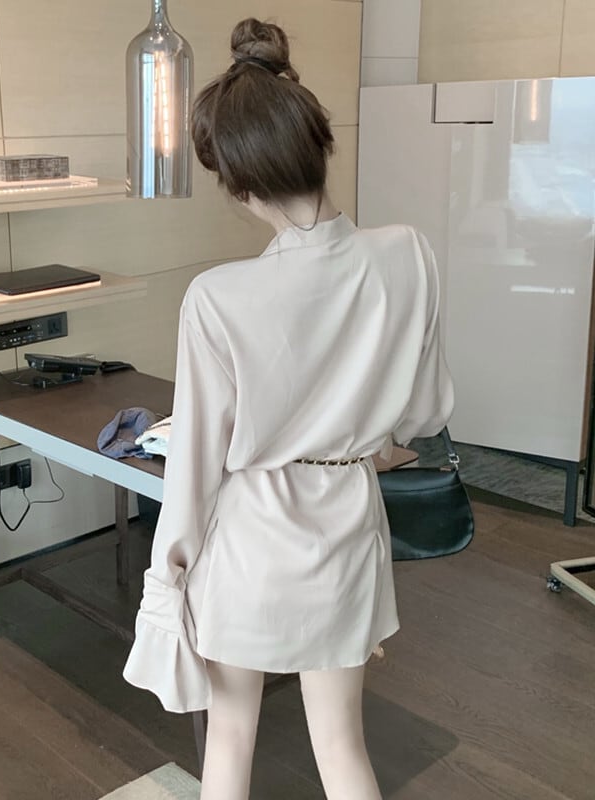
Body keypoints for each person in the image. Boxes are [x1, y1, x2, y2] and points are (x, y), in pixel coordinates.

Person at [123, 17, 454, 800]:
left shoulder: (217, 298)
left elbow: (195, 469)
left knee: (231, 737)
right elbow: (423, 413)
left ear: (236, 184)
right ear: (320, 145)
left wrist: (167, 576)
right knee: (342, 745)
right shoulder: (408, 254)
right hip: (348, 527)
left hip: (251, 543)